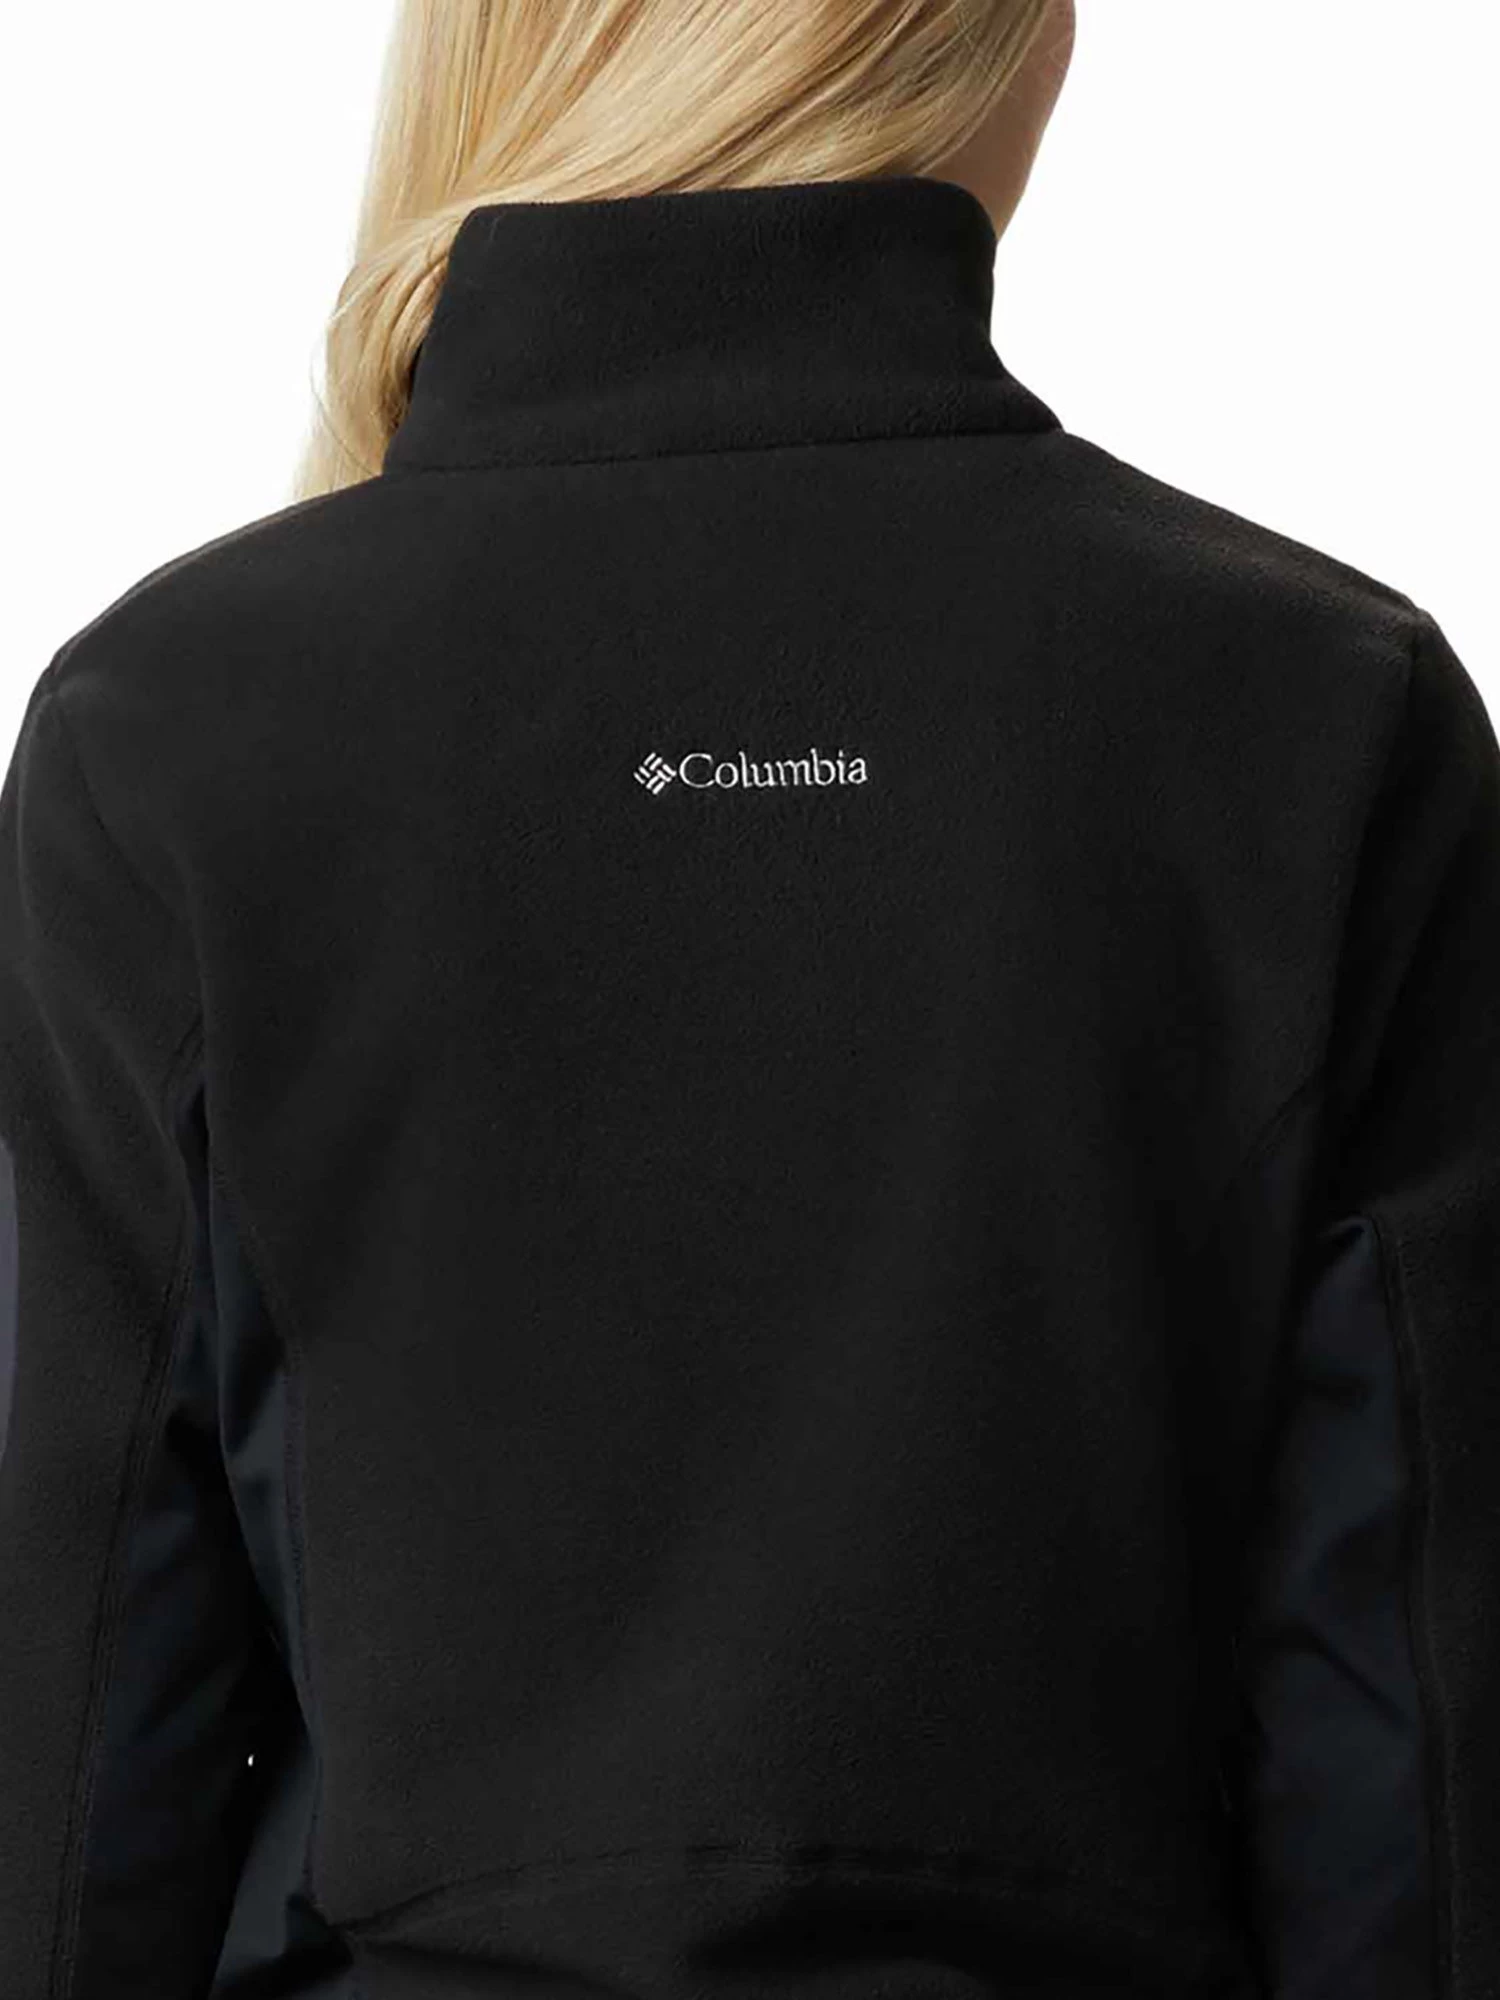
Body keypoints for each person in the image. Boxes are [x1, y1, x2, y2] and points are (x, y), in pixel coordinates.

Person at [0, 2, 1495, 1995]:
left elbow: (78, 1735)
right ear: (1007, 45)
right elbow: (1409, 1762)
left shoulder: (170, 728)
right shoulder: (1317, 712)